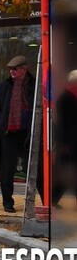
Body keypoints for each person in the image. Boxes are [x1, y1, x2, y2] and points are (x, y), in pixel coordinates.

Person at [0, 55, 35, 213]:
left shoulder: (33, 85)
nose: (12, 71)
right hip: (9, 132)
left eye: (15, 68)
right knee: (7, 168)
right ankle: (7, 202)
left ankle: (47, 201)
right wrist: (0, 121)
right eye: (10, 69)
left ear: (24, 69)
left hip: (28, 132)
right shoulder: (4, 86)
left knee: (35, 167)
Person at [52, 69, 77, 208]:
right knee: (67, 172)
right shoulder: (65, 98)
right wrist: (65, 144)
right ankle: (53, 197)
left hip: (73, 141)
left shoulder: (73, 96)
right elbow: (63, 123)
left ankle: (54, 198)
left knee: (70, 172)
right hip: (69, 142)